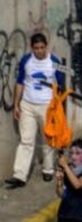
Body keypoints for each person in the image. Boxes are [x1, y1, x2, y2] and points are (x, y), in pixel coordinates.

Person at [5, 33, 66, 188]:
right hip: (28, 105)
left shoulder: (55, 62)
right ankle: (19, 175)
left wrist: (58, 109)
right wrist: (16, 105)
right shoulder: (26, 60)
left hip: (47, 106)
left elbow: (60, 87)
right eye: (36, 48)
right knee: (26, 140)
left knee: (48, 140)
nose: (39, 51)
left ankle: (48, 169)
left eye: (42, 47)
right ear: (32, 48)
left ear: (46, 46)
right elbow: (20, 82)